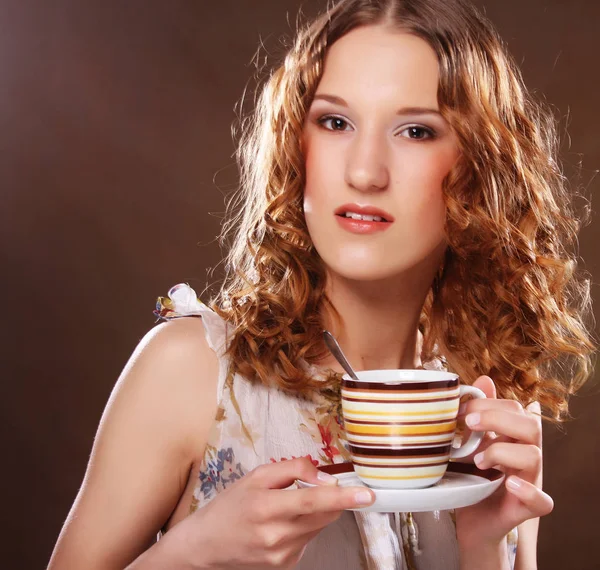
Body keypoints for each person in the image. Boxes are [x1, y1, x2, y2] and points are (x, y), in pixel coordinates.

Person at [47, 0, 595, 568]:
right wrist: (193, 553)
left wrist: (485, 543)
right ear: (296, 143)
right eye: (335, 122)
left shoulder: (487, 413)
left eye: (415, 130)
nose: (364, 171)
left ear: (480, 167)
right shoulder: (190, 370)